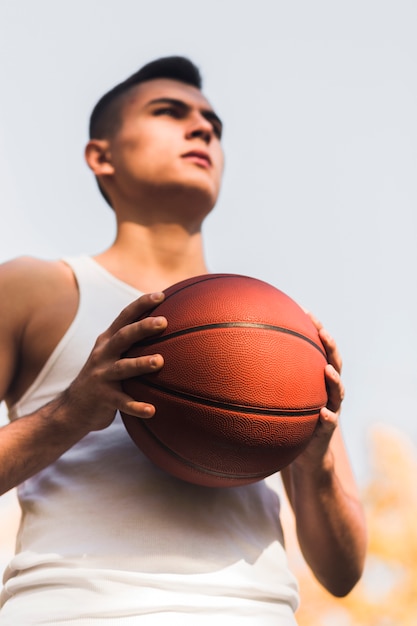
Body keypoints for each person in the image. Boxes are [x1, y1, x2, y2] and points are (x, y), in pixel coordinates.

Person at [0, 56, 366, 625]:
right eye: (169, 113)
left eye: (213, 125)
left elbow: (343, 574)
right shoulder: (35, 288)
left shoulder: (279, 327)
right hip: (72, 610)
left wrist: (313, 459)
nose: (202, 129)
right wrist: (68, 413)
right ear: (101, 155)